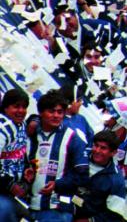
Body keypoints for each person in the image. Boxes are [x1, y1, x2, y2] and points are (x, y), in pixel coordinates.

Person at [27, 89, 89, 222]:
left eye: (60, 112)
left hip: (57, 210)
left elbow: (83, 175)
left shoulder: (72, 137)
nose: (56, 115)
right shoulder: (31, 134)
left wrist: (58, 184)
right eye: (51, 111)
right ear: (40, 113)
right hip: (27, 205)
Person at [74, 130, 127, 222]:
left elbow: (115, 214)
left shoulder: (116, 179)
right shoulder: (80, 160)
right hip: (65, 212)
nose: (97, 150)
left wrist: (89, 220)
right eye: (96, 145)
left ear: (113, 152)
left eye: (103, 148)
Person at [0, 88, 30, 222]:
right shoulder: (3, 128)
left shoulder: (22, 125)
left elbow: (19, 153)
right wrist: (10, 184)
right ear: (6, 107)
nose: (21, 111)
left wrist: (26, 171)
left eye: (24, 107)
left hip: (12, 190)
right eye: (16, 106)